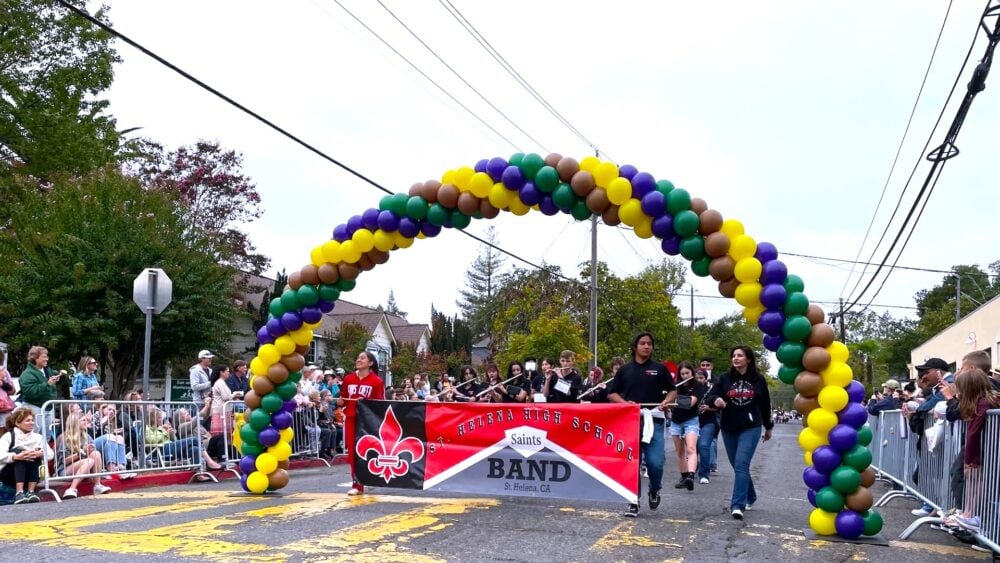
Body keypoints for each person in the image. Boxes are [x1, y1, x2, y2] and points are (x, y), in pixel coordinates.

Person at [607, 332, 677, 517]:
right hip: (630, 421)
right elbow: (611, 393)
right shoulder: (624, 370)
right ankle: (632, 501)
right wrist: (624, 404)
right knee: (631, 462)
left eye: (649, 344)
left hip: (654, 419)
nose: (646, 346)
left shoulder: (659, 369)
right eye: (643, 343)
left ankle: (654, 489)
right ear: (635, 347)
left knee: (655, 463)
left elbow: (672, 390)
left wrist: (667, 401)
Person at [704, 346, 773, 520]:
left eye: (740, 355)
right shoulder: (725, 379)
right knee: (737, 465)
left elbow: (765, 404)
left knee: (742, 464)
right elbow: (710, 395)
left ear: (748, 359)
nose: (736, 358)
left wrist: (768, 426)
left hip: (751, 427)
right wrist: (717, 399)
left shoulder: (758, 380)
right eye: (733, 355)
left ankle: (737, 505)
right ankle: (751, 495)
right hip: (729, 426)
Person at [942, 369, 1000, 533]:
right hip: (987, 448)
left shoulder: (982, 403)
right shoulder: (987, 400)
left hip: (987, 449)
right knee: (975, 480)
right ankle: (968, 513)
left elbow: (973, 434)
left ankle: (971, 514)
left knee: (976, 479)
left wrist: (970, 460)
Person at [337, 351, 385, 496]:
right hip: (351, 418)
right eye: (357, 357)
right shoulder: (349, 378)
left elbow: (379, 403)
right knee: (352, 452)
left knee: (368, 450)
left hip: (367, 421)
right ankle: (357, 484)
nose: (358, 360)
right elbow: (343, 398)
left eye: (362, 358)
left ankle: (370, 476)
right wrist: (339, 402)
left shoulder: (376, 381)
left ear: (370, 363)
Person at [54, 411, 112, 498]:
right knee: (89, 461)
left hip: (82, 467)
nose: (87, 422)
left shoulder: (86, 436)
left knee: (96, 454)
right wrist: (82, 453)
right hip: (64, 470)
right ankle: (72, 489)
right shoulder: (65, 438)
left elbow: (92, 454)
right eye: (83, 420)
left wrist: (90, 450)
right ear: (75, 423)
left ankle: (97, 485)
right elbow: (65, 461)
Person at [0, 407, 50, 503]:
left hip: (31, 473)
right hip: (9, 475)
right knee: (19, 452)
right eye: (28, 420)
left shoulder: (38, 437)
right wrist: (15, 456)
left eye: (32, 420)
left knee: (35, 454)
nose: (32, 423)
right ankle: (19, 493)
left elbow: (50, 454)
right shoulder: (9, 436)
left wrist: (40, 453)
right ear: (17, 423)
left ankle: (31, 492)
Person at [669, 361, 706, 492]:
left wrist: (672, 400)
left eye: (687, 373)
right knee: (679, 452)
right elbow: (667, 400)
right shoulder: (674, 386)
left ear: (692, 373)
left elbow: (690, 403)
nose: (685, 376)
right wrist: (669, 398)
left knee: (691, 448)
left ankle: (691, 475)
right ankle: (684, 477)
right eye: (682, 373)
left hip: (691, 419)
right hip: (676, 420)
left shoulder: (698, 385)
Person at [19, 346, 63, 427]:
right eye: (44, 357)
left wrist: (60, 375)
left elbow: (54, 375)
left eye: (47, 356)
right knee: (35, 435)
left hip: (48, 408)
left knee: (47, 436)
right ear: (35, 358)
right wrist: (47, 384)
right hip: (34, 408)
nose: (47, 359)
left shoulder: (47, 370)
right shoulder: (27, 374)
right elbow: (30, 393)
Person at [695, 369, 719, 484]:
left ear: (705, 379)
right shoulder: (690, 389)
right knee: (692, 448)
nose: (699, 380)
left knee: (704, 446)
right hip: (692, 422)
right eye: (697, 378)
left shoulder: (711, 390)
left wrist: (707, 408)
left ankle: (704, 474)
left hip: (708, 421)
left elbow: (718, 408)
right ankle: (692, 469)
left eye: (701, 378)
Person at [0, 361, 16, 426]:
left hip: (4, 408)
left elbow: (12, 391)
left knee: (5, 429)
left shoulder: (3, 370)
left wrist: (2, 383)